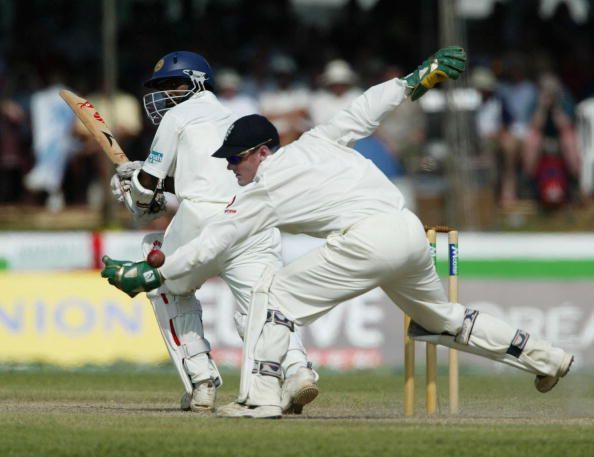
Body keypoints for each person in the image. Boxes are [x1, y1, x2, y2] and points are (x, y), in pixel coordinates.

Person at [102, 47, 574, 419]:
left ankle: (261, 398)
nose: (229, 166)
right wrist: (411, 82)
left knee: (274, 297)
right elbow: (365, 110)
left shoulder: (265, 188)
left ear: (262, 152)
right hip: (408, 233)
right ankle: (546, 358)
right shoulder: (321, 139)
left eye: (235, 158)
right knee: (441, 319)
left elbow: (214, 240)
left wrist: (153, 274)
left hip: (365, 241)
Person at [108, 51, 317, 414]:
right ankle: (297, 370)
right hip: (250, 215)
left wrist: (131, 187)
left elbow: (147, 198)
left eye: (173, 85)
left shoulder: (176, 117)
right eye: (161, 87)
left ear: (196, 82)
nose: (165, 94)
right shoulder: (237, 115)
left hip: (201, 219)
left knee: (163, 279)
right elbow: (204, 175)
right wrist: (142, 174)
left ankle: (201, 380)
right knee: (262, 304)